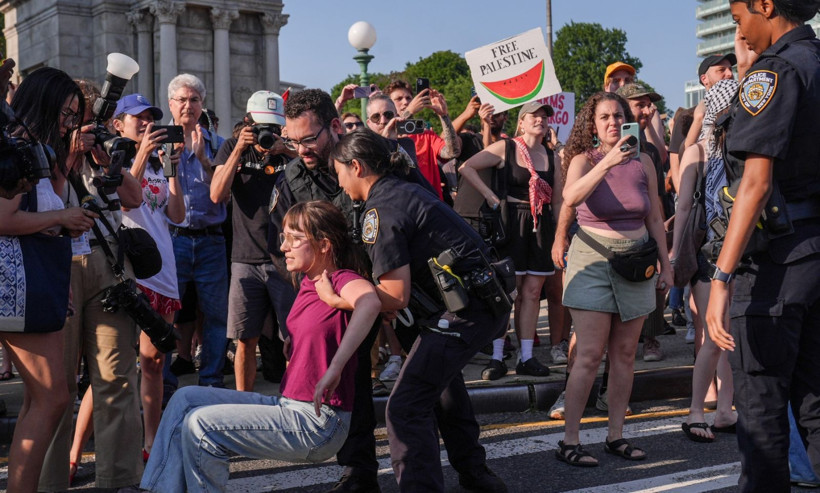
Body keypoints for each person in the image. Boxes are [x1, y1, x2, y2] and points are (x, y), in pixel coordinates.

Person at [139, 200, 382, 492]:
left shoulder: (341, 279)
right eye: (284, 237)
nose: (283, 247)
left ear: (324, 245)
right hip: (289, 406)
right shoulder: (308, 280)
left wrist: (336, 363)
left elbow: (370, 302)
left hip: (318, 423)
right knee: (184, 399)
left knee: (200, 426)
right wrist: (296, 339)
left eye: (294, 238)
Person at [331, 129, 508, 492]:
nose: (341, 183)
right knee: (436, 389)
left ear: (356, 167)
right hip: (476, 305)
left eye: (340, 173)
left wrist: (338, 298)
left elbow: (394, 295)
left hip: (466, 312)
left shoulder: (380, 210)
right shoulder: (402, 189)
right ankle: (477, 478)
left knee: (405, 408)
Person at [706, 1, 820, 491]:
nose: (741, 32)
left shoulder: (774, 73)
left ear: (767, 6)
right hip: (814, 255)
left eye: (737, 19)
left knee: (761, 415)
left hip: (775, 262)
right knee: (815, 408)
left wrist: (721, 278)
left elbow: (754, 182)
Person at [39, 76, 145, 491]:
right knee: (56, 387)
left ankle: (119, 480)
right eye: (77, 118)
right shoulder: (42, 148)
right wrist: (69, 153)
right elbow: (36, 197)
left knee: (117, 378)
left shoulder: (101, 150)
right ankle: (48, 482)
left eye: (88, 119)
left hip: (107, 266)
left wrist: (103, 157)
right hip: (58, 265)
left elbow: (134, 197)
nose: (83, 126)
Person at [556, 91, 672, 466]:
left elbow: (654, 216)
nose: (611, 122)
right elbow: (571, 198)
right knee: (589, 356)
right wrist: (607, 162)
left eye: (617, 115)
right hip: (593, 260)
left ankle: (615, 435)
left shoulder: (645, 163)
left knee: (625, 355)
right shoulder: (582, 160)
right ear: (593, 125)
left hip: (637, 263)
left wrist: (666, 264)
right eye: (604, 117)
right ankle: (570, 440)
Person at [0, 66, 97, 493]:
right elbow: (5, 218)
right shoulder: (18, 147)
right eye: (66, 113)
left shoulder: (34, 147)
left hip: (34, 280)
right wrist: (61, 216)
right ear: (43, 104)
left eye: (75, 115)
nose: (70, 123)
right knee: (54, 396)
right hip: (16, 282)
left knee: (44, 398)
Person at [459, 101, 562, 380]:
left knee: (531, 293)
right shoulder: (507, 147)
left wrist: (559, 236)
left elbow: (559, 200)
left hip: (540, 224)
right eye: (534, 116)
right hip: (510, 223)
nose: (540, 120)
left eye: (544, 116)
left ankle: (527, 357)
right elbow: (467, 167)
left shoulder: (552, 156)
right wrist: (491, 196)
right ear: (522, 122)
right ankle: (496, 357)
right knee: (507, 292)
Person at [115, 93, 185, 457]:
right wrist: (141, 154)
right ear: (118, 124)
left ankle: (151, 440)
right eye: (137, 118)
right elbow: (127, 199)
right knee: (122, 363)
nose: (146, 123)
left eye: (150, 118)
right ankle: (79, 449)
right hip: (132, 273)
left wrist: (171, 170)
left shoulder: (159, 165)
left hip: (164, 270)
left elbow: (175, 215)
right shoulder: (110, 161)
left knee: (156, 361)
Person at [210, 91, 293, 392]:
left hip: (287, 258)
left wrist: (289, 152)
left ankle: (295, 402)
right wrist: (238, 151)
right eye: (262, 127)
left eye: (274, 127)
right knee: (244, 339)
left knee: (293, 337)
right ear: (248, 123)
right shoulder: (233, 147)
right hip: (245, 258)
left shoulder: (289, 153)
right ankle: (242, 403)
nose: (267, 134)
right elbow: (217, 195)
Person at [674, 79, 738, 443]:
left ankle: (726, 410)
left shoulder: (742, 148)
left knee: (729, 337)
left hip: (740, 249)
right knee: (714, 336)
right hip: (709, 251)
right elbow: (683, 207)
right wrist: (674, 252)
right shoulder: (698, 151)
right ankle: (697, 411)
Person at [165, 73, 228, 391]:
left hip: (210, 240)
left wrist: (204, 159)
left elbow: (225, 193)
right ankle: (163, 383)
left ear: (202, 104)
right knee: (166, 315)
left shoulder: (217, 143)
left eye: (194, 99)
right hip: (172, 240)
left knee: (216, 315)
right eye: (182, 99)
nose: (188, 105)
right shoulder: (159, 143)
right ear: (170, 104)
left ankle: (212, 380)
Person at [616, 82, 669, 363]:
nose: (648, 110)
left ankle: (651, 340)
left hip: (646, 228)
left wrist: (660, 231)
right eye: (641, 104)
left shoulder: (647, 148)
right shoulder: (604, 146)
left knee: (654, 282)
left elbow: (657, 195)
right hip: (610, 233)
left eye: (649, 104)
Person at [385, 79, 461, 199]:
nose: (405, 102)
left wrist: (444, 116)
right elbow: (391, 133)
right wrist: (409, 111)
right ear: (389, 105)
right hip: (401, 202)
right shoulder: (385, 136)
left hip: (430, 204)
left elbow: (453, 152)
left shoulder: (425, 134)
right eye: (399, 99)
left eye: (409, 98)